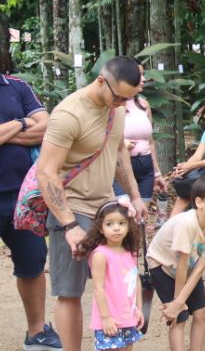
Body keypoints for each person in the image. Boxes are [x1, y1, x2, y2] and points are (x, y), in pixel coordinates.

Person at [38, 56, 148, 351]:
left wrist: (135, 196)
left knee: (118, 278)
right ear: (102, 81)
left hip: (105, 208)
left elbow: (119, 156)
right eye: (119, 97)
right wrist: (69, 225)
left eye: (129, 98)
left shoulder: (117, 109)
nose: (123, 104)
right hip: (72, 208)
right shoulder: (69, 114)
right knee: (70, 291)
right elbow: (47, 172)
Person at [0, 73, 63, 350]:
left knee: (33, 261)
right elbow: (35, 127)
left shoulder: (17, 86)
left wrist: (9, 129)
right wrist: (23, 123)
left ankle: (37, 331)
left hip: (21, 197)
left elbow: (46, 127)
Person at [146, 175, 205, 351]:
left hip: (188, 268)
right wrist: (177, 303)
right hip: (162, 264)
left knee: (203, 311)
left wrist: (179, 301)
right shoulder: (187, 223)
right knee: (179, 315)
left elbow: (198, 269)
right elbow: (181, 264)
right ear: (199, 202)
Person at [76, 201, 144, 351]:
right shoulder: (101, 255)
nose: (116, 228)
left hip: (128, 316)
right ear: (100, 228)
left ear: (129, 226)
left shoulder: (130, 251)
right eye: (109, 224)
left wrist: (139, 308)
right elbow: (98, 288)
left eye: (121, 223)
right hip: (110, 318)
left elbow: (135, 280)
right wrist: (106, 318)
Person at [113, 63, 167, 205]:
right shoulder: (112, 105)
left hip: (145, 164)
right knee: (123, 212)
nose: (143, 79)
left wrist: (157, 173)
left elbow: (150, 141)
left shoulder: (143, 104)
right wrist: (120, 142)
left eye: (143, 75)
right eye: (139, 75)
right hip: (120, 167)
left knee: (141, 214)